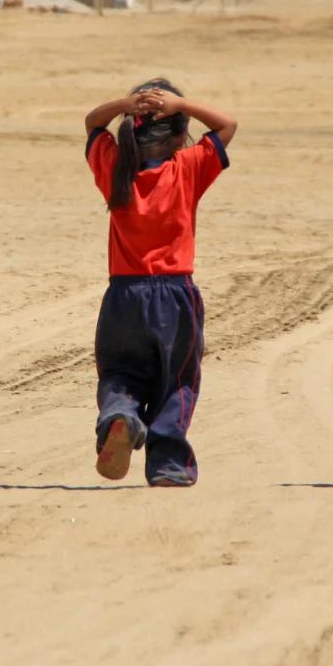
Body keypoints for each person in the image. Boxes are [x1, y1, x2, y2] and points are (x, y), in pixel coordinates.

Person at [83, 79, 237, 487]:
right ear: (177, 134)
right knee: (177, 380)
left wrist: (124, 103)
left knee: (119, 372)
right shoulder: (186, 168)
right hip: (174, 296)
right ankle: (168, 465)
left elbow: (92, 124)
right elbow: (227, 125)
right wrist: (181, 103)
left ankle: (121, 415)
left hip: (122, 296)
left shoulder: (115, 169)